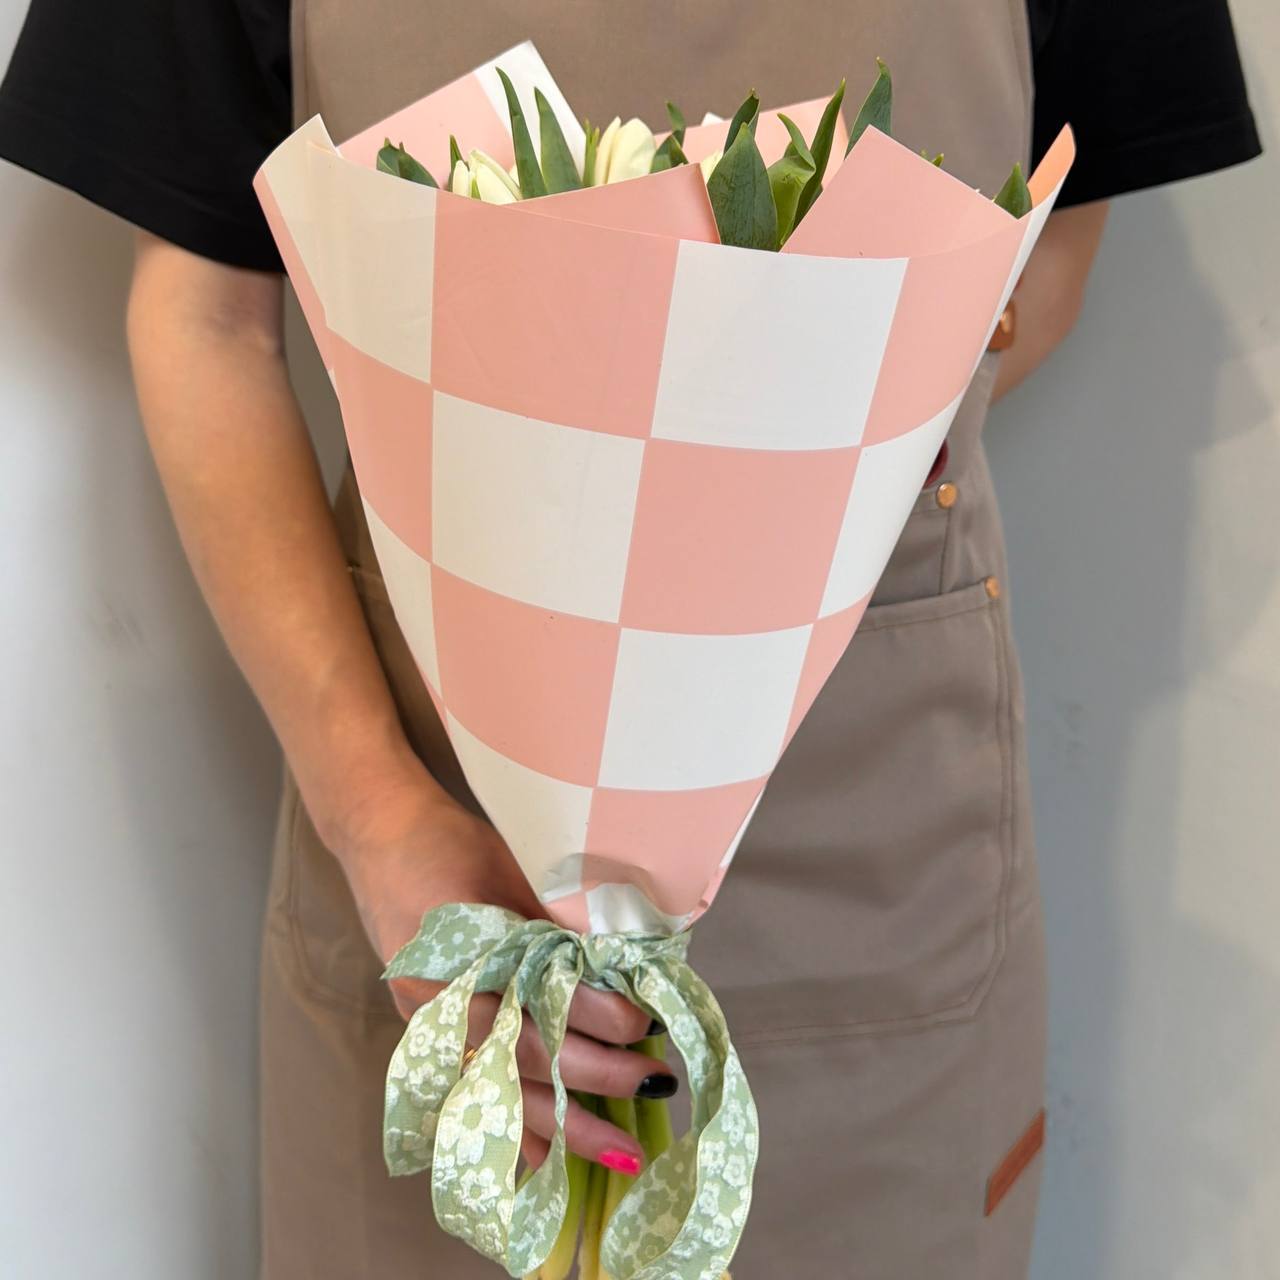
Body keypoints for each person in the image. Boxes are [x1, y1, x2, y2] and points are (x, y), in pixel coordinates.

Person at [0, 2, 1260, 1276]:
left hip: (878, 876)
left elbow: (1048, 245)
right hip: (437, 873)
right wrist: (376, 820)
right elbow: (205, 316)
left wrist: (754, 494)